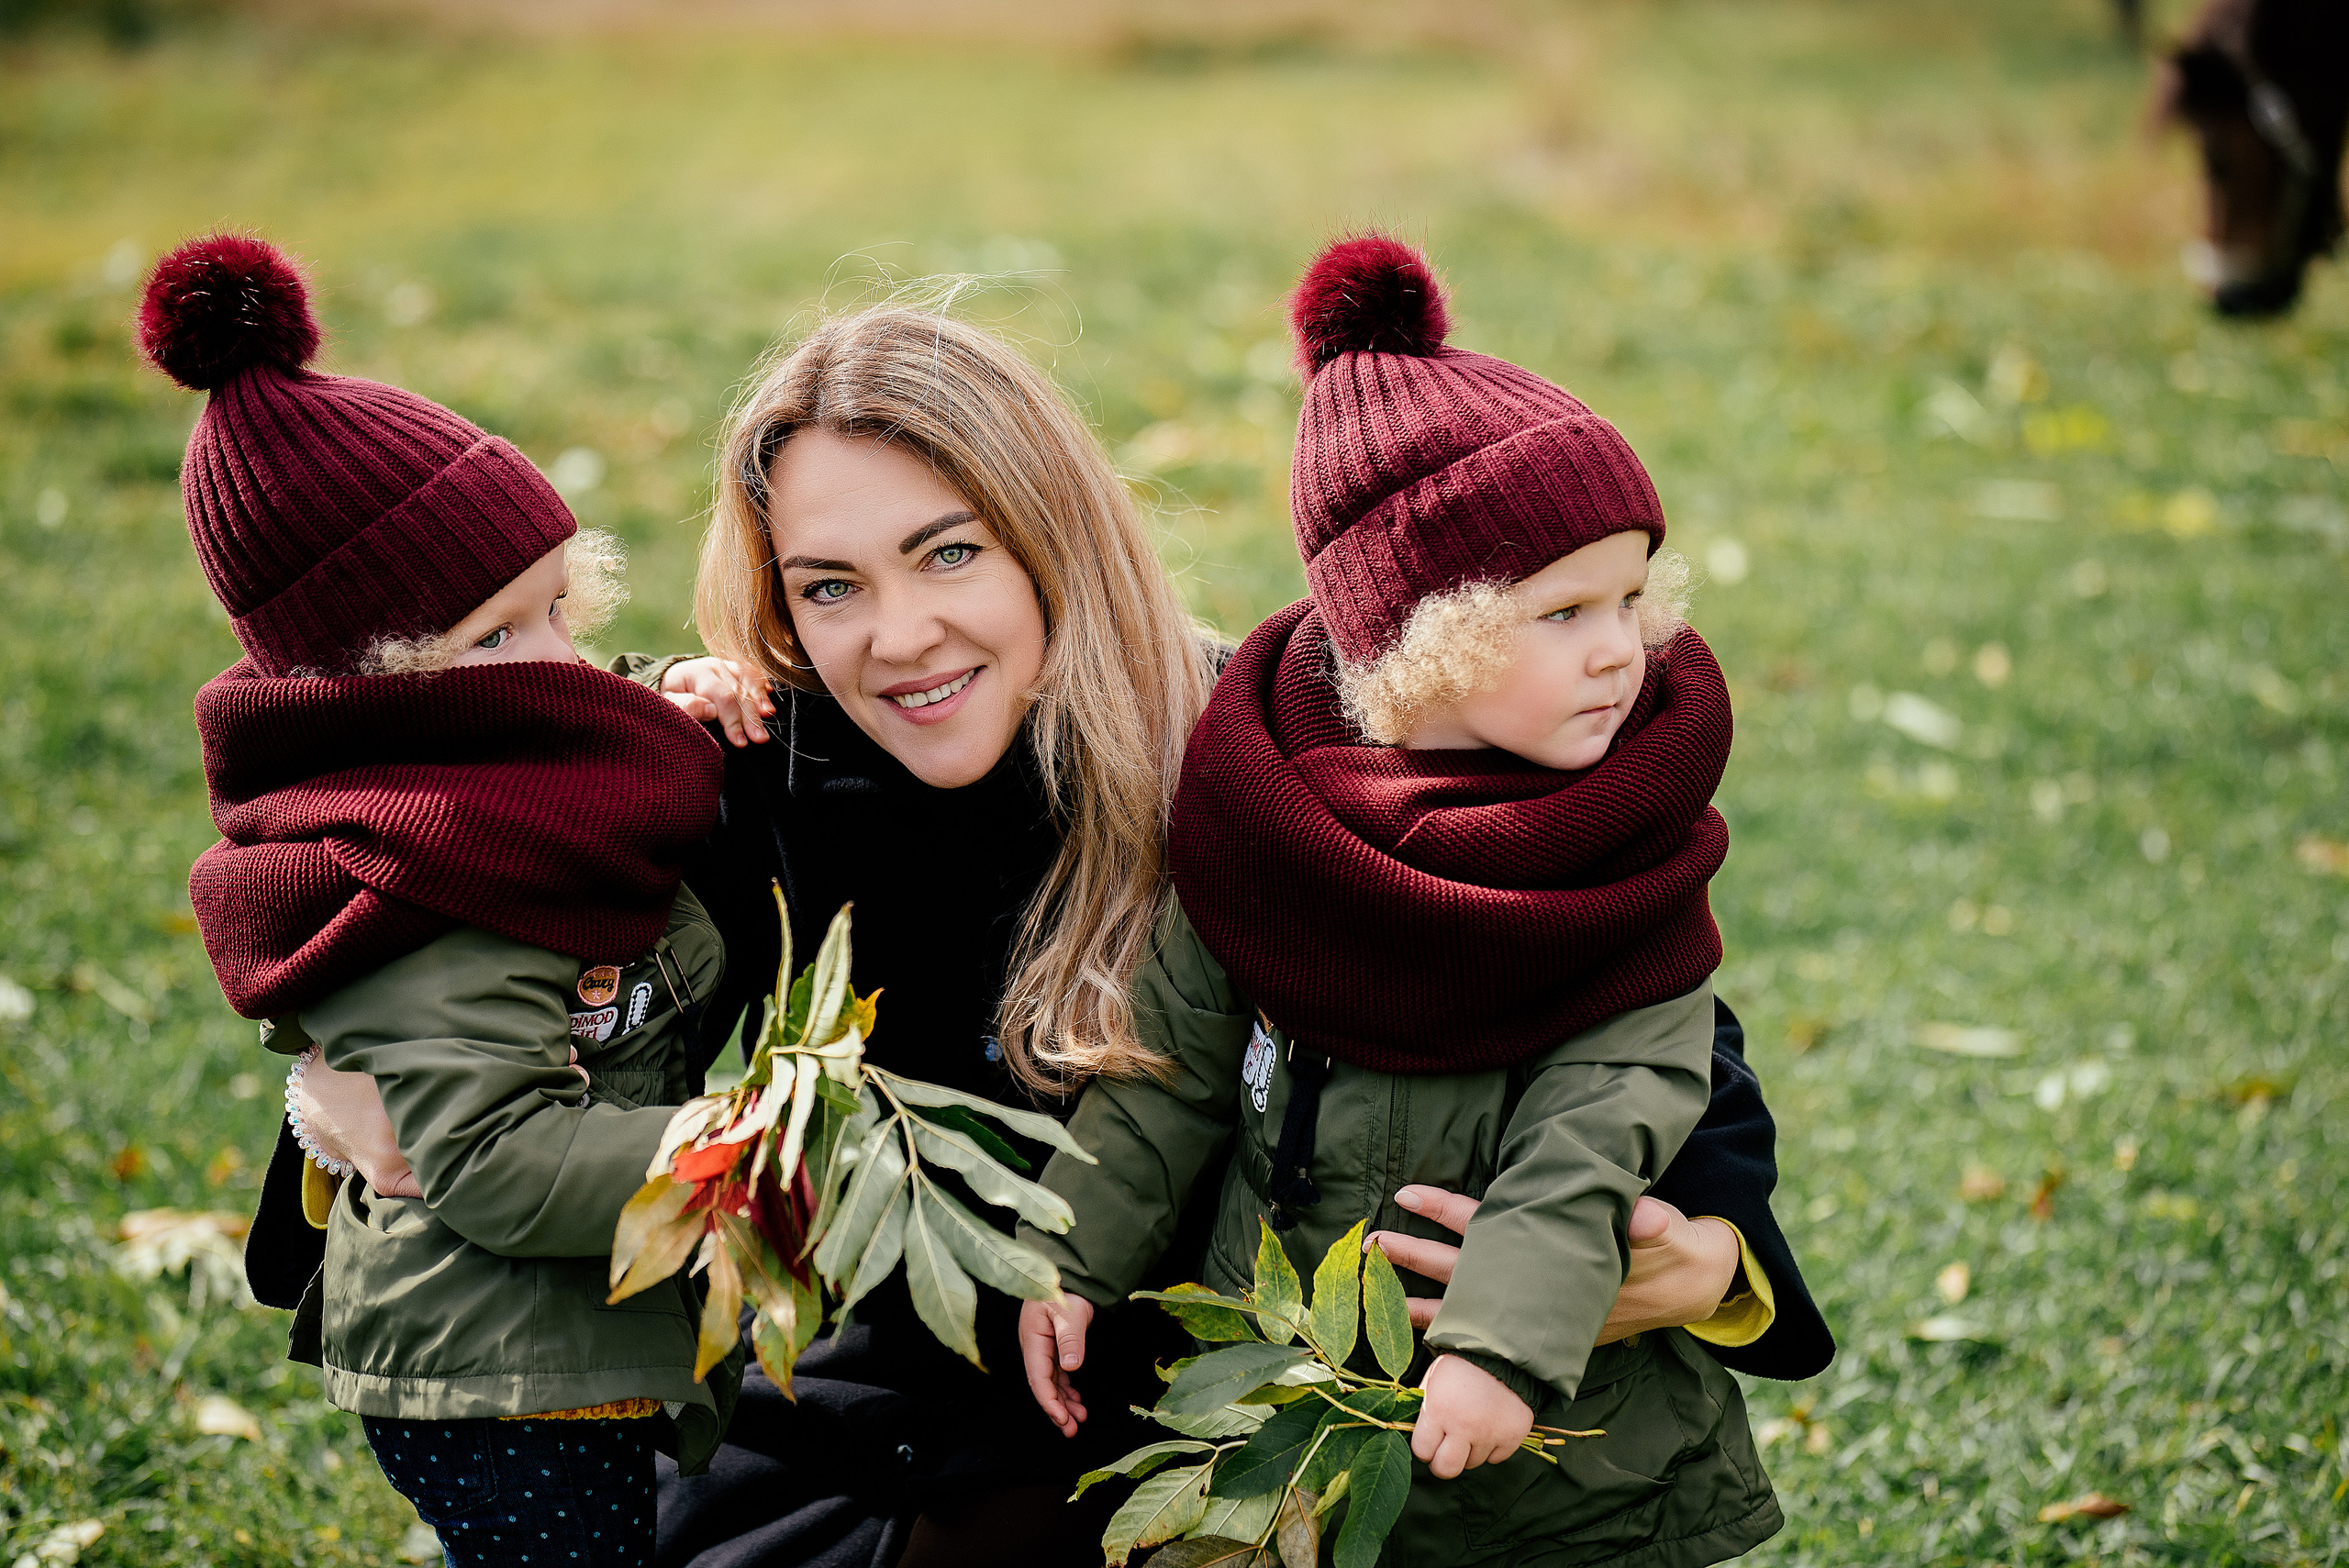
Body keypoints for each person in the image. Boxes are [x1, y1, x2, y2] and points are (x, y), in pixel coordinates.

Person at [631, 294, 1830, 1567]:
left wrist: (1715, 1257)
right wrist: (627, 757)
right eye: (831, 586)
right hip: (877, 1420)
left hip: (1196, 1422)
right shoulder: (779, 779)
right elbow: (560, 1015)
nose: (900, 634)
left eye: (950, 553)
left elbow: (1608, 981)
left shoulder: (1247, 756)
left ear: (1052, 536)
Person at [1019, 235, 1783, 1564]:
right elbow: (1171, 1079)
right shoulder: (1270, 830)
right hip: (1291, 1421)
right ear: (1420, 645)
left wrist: (1499, 1344)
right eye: (1562, 614)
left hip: (1561, 1470)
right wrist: (1074, 1256)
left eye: (1631, 596)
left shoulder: (1621, 865)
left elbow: (1593, 1134)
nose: (1622, 648)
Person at [139, 233, 739, 1568]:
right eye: (500, 637)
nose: (564, 668)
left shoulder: (486, 761)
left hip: (562, 1343)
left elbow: (575, 715)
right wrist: (742, 1163)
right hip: (505, 1384)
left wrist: (671, 695)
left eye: (558, 614)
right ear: (383, 680)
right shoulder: (444, 885)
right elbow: (494, 1165)